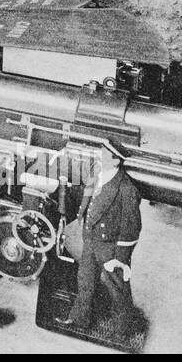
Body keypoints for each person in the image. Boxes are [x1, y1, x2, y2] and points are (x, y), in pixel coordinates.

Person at [59, 141, 142, 338]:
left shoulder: (126, 189)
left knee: (117, 289)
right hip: (91, 241)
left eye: (105, 154)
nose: (100, 156)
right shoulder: (97, 174)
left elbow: (132, 228)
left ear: (115, 161)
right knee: (85, 281)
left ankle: (123, 330)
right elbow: (89, 201)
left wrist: (120, 258)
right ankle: (80, 319)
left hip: (110, 248)